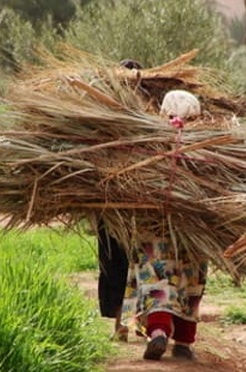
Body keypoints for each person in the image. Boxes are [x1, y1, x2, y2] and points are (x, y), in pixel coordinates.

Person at [120, 90, 208, 361]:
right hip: (194, 229)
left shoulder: (147, 142)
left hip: (152, 229)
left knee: (156, 279)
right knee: (189, 282)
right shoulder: (211, 147)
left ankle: (158, 331)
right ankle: (183, 342)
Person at [96, 59, 144, 342]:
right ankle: (123, 325)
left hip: (126, 204)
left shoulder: (143, 117)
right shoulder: (106, 116)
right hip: (115, 203)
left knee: (129, 264)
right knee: (123, 263)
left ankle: (128, 325)